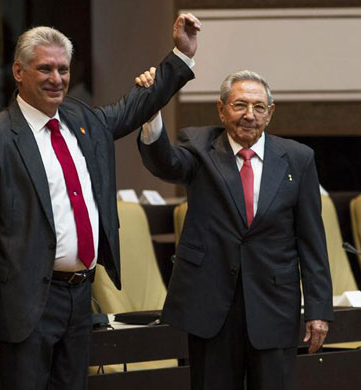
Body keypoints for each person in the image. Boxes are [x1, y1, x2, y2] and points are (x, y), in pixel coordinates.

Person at [0, 14, 201, 390]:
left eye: (63, 69)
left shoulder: (81, 119)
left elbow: (132, 107)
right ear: (18, 72)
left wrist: (180, 55)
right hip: (24, 304)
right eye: (45, 69)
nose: (57, 79)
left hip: (80, 297)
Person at [136, 69, 333, 390]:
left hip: (273, 304)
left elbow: (311, 240)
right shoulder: (199, 147)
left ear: (270, 113)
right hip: (212, 306)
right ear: (221, 109)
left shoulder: (298, 159)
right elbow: (165, 163)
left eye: (258, 107)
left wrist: (318, 310)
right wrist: (151, 109)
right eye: (240, 105)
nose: (249, 115)